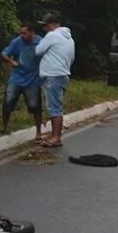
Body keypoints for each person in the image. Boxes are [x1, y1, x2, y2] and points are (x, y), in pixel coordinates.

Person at [35, 12, 75, 147]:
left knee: (54, 107)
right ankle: (54, 135)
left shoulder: (52, 35)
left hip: (53, 75)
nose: (44, 29)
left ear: (52, 25)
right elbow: (72, 58)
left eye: (45, 26)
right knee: (55, 105)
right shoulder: (69, 39)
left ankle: (56, 137)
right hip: (63, 74)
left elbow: (38, 51)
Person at [0, 22, 44, 140]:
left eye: (25, 33)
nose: (22, 36)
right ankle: (4, 127)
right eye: (21, 33)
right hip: (17, 77)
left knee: (35, 105)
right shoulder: (17, 42)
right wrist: (10, 61)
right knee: (8, 101)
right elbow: (4, 54)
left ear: (32, 33)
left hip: (33, 79)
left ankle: (39, 132)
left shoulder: (40, 42)